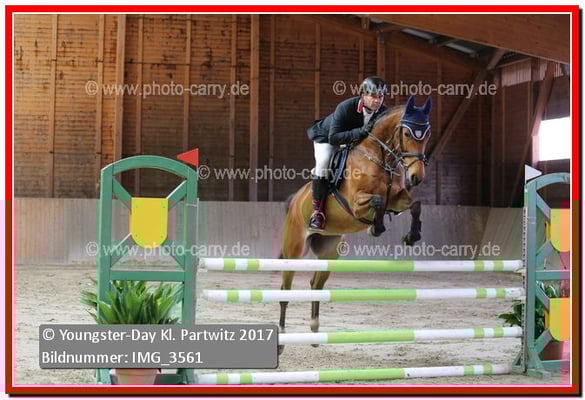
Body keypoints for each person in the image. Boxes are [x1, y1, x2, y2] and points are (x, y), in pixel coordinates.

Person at [306, 76, 389, 231]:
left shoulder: (383, 113)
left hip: (353, 141)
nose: (377, 100)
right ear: (363, 95)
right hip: (327, 138)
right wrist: (360, 132)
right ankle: (317, 213)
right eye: (373, 96)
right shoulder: (346, 107)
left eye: (380, 96)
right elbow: (334, 137)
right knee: (323, 165)